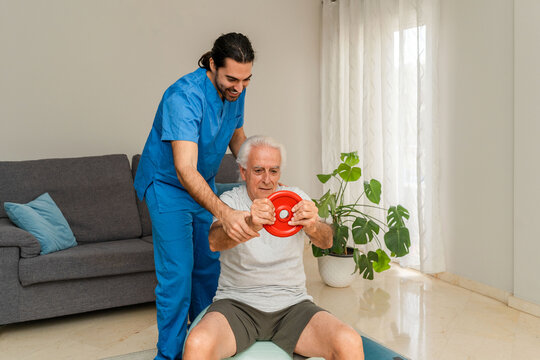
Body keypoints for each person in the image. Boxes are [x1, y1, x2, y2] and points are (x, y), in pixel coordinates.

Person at [134, 33, 261, 360]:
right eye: (232, 78)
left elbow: (237, 134)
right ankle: (169, 355)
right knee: (177, 277)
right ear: (212, 64)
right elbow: (184, 169)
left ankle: (203, 348)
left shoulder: (235, 90)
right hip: (168, 187)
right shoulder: (183, 96)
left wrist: (257, 173)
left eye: (246, 80)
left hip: (201, 184)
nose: (239, 87)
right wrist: (225, 213)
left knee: (209, 272)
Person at [183, 136, 365, 360]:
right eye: (258, 170)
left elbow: (327, 241)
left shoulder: (296, 199)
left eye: (274, 171)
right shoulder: (231, 201)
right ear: (243, 172)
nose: (267, 180)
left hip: (293, 306)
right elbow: (214, 241)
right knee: (197, 344)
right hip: (237, 305)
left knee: (349, 341)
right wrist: (251, 222)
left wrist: (313, 226)